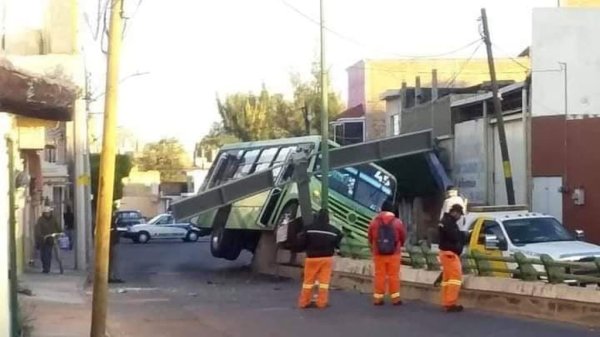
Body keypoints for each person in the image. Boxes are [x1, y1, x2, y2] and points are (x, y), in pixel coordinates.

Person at [297, 209, 342, 309]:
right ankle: (321, 303)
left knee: (308, 282)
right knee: (324, 282)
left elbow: (301, 242)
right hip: (326, 259)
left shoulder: (308, 228)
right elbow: (338, 240)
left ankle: (304, 302)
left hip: (312, 258)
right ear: (328, 219)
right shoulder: (334, 231)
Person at [368, 200, 407, 306]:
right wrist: (399, 245)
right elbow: (403, 236)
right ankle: (395, 299)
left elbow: (370, 237)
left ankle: (378, 298)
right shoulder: (397, 222)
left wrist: (374, 246)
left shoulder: (374, 221)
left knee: (379, 275)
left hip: (378, 252)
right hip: (394, 253)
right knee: (393, 275)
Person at [438, 204, 466, 313]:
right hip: (450, 253)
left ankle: (446, 302)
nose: (459, 217)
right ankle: (450, 303)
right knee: (455, 278)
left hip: (444, 252)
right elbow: (454, 237)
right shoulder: (449, 223)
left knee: (447, 279)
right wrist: (462, 236)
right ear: (454, 212)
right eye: (459, 214)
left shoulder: (444, 221)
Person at [35, 207, 61, 273]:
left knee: (48, 253)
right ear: (44, 213)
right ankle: (44, 266)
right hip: (42, 239)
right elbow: (38, 229)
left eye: (49, 213)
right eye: (46, 213)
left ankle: (47, 268)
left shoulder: (53, 219)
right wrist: (40, 236)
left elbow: (57, 226)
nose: (48, 214)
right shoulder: (40, 220)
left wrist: (60, 232)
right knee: (43, 255)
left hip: (50, 239)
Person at [109, 214, 124, 283]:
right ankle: (112, 277)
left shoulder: (112, 225)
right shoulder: (111, 225)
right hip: (112, 244)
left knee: (113, 261)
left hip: (113, 244)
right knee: (113, 261)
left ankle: (112, 276)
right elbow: (112, 234)